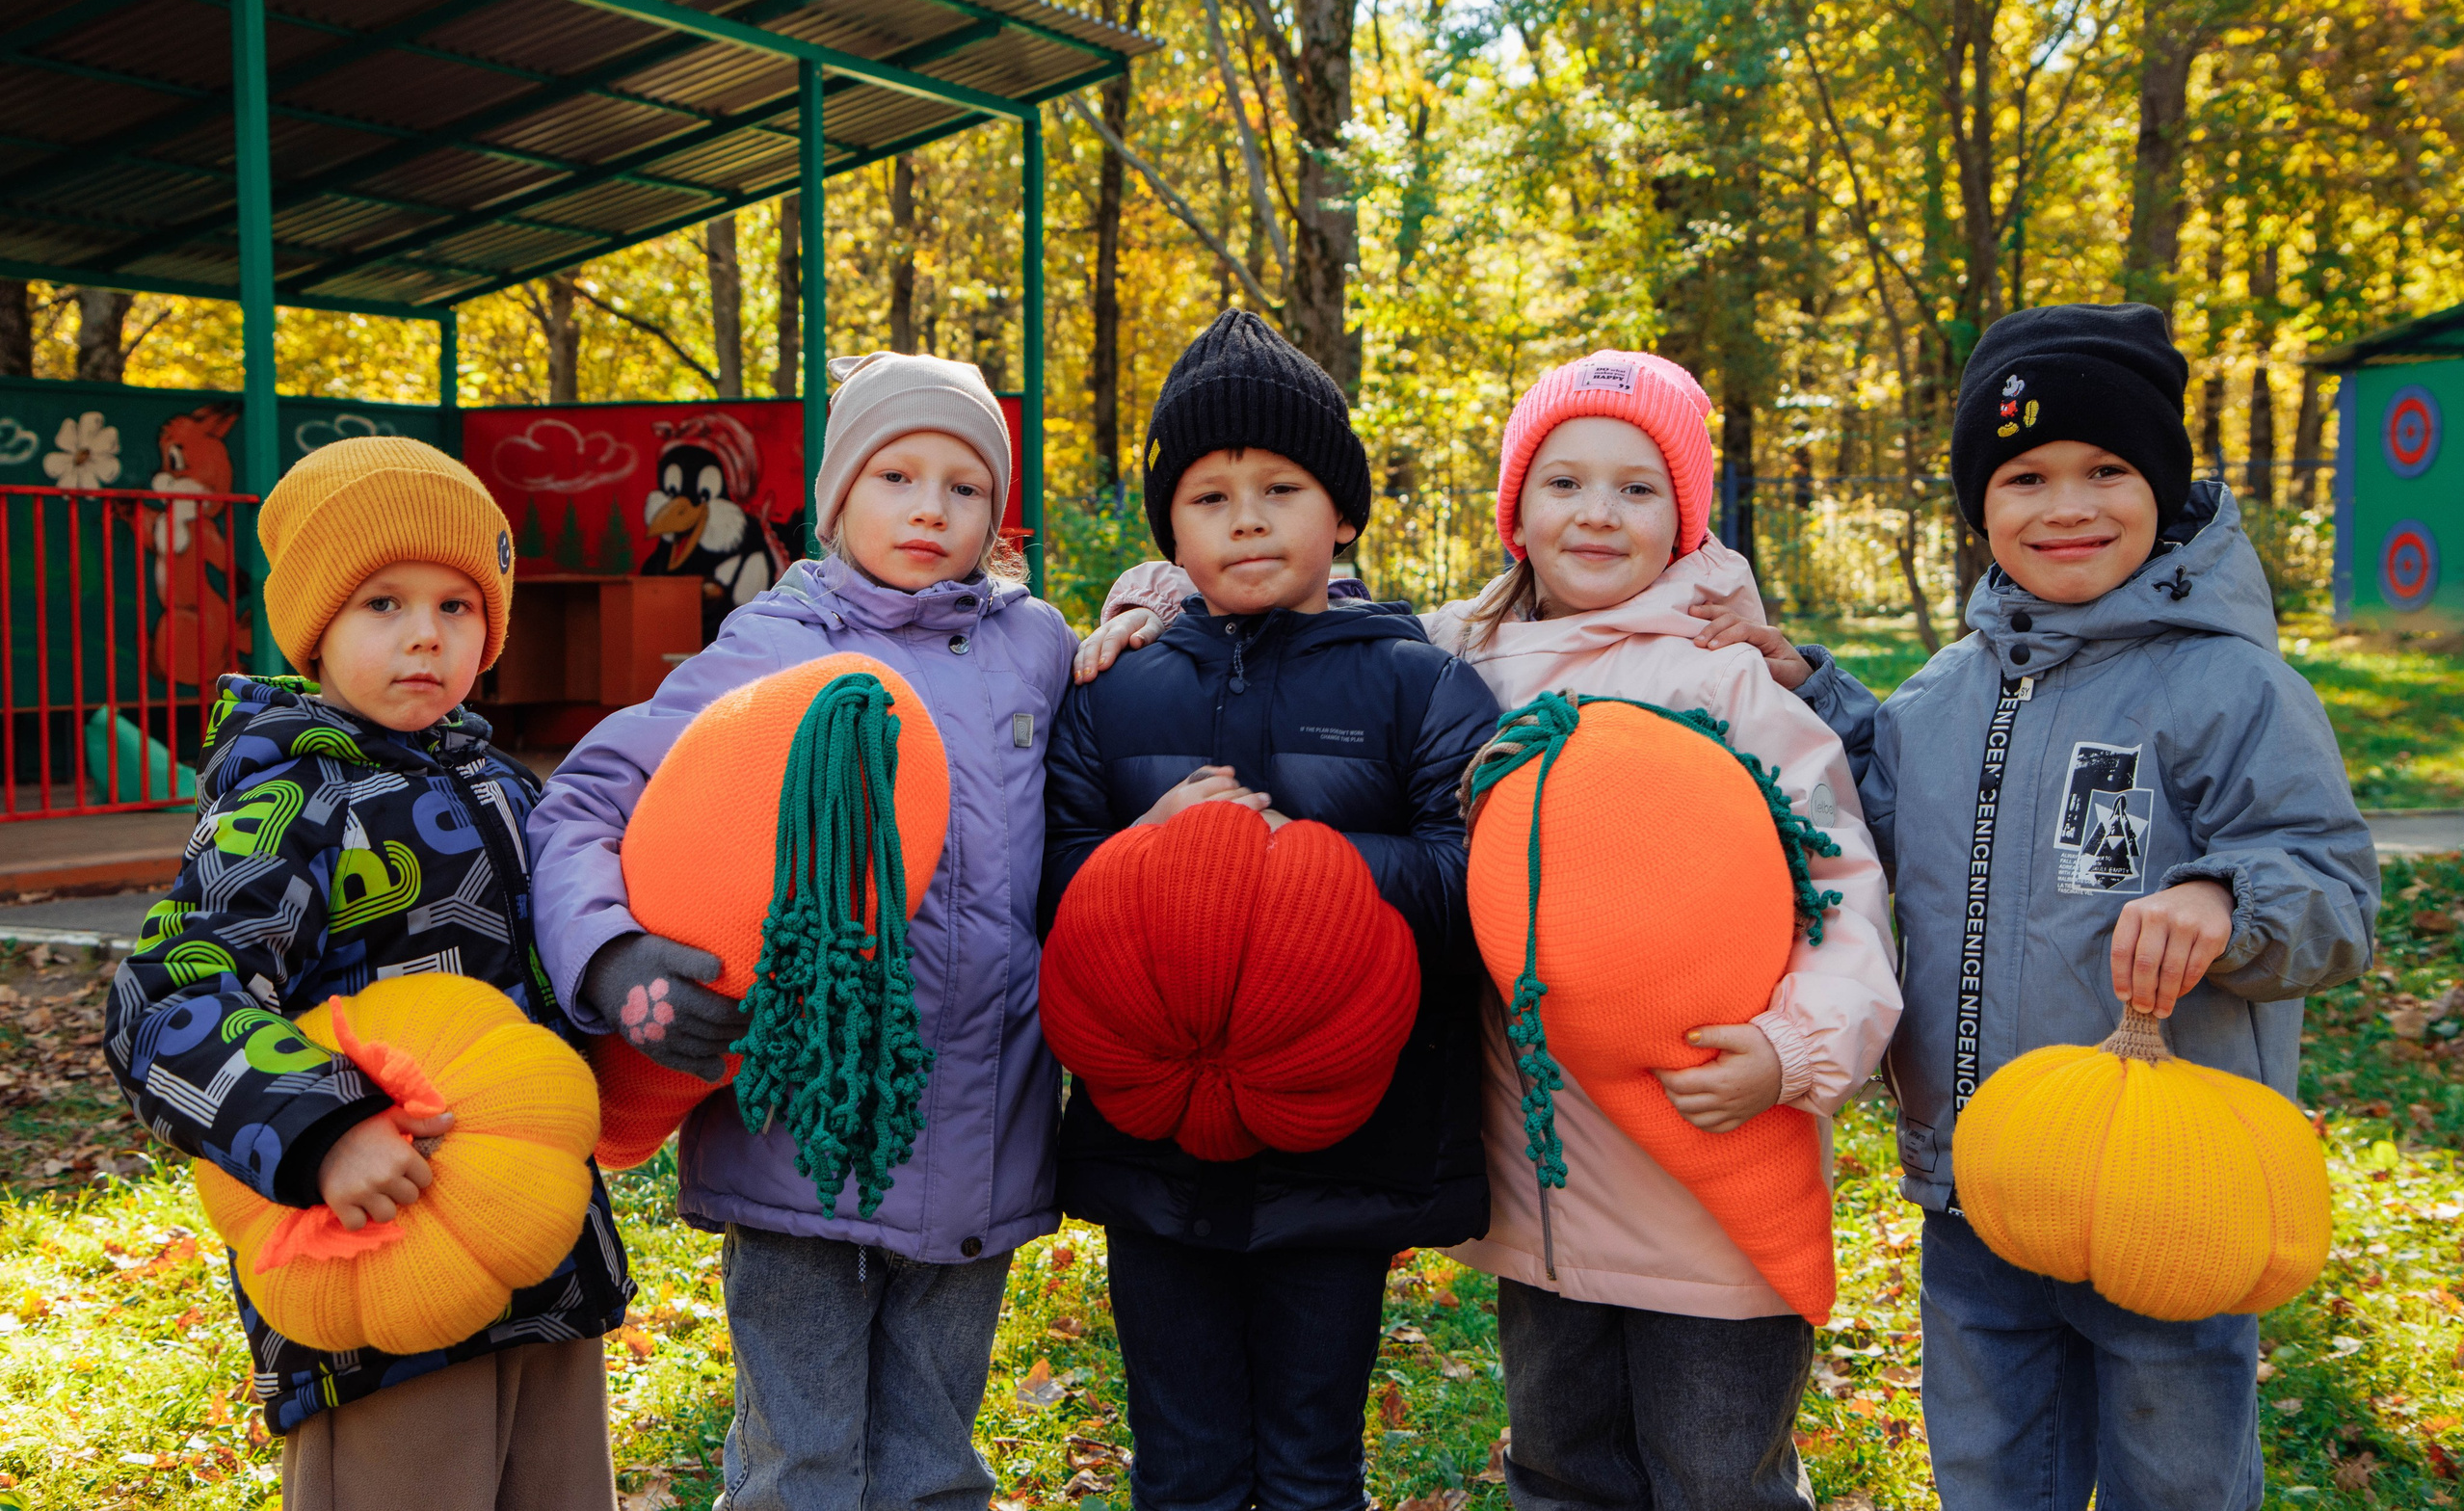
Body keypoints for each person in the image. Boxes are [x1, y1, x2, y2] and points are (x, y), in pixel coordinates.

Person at [1086, 348, 1897, 1511]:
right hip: (1543, 1178)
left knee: (1718, 1472)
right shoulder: (1463, 661)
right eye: (1563, 482)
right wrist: (1159, 604)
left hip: (1705, 1149)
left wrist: (1797, 1048)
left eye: (1637, 486)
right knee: (1561, 1466)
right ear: (1515, 509)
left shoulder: (1728, 685)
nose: (1598, 515)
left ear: (1687, 514)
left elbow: (1839, 883)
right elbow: (1305, 620)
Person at [1735, 303, 2379, 1509]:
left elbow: (2332, 887)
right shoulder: (1942, 693)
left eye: (2107, 470)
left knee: (2174, 1479)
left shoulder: (2227, 683)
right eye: (2025, 475)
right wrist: (1810, 691)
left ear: (2163, 485)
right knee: (1988, 1478)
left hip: (2162, 1193)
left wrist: (2224, 896)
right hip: (1975, 1181)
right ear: (1980, 507)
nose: (2066, 506)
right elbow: (1879, 802)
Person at [527, 353, 1075, 1511]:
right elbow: (582, 804)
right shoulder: (767, 650)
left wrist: (1150, 621)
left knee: (935, 1467)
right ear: (836, 499)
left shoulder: (1040, 649)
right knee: (801, 1467)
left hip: (981, 1131)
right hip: (798, 1143)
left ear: (998, 512)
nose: (930, 507)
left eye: (965, 486)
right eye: (895, 475)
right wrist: (612, 955)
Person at [102, 437, 631, 1510]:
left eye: (458, 606)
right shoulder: (287, 803)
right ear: (316, 629)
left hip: (542, 1255)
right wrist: (324, 1129)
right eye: (382, 604)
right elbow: (162, 998)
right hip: (375, 1263)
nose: (426, 636)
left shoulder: (510, 790)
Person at [1040, 308, 1500, 1511]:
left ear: (1339, 512)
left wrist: (1310, 865)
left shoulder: (1421, 682)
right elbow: (1050, 880)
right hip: (1151, 1140)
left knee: (1309, 1465)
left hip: (1347, 1142)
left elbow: (1476, 881)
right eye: (1208, 495)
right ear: (1169, 530)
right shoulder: (1111, 688)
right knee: (1182, 1464)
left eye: (1280, 487)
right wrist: (1148, 853)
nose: (1246, 517)